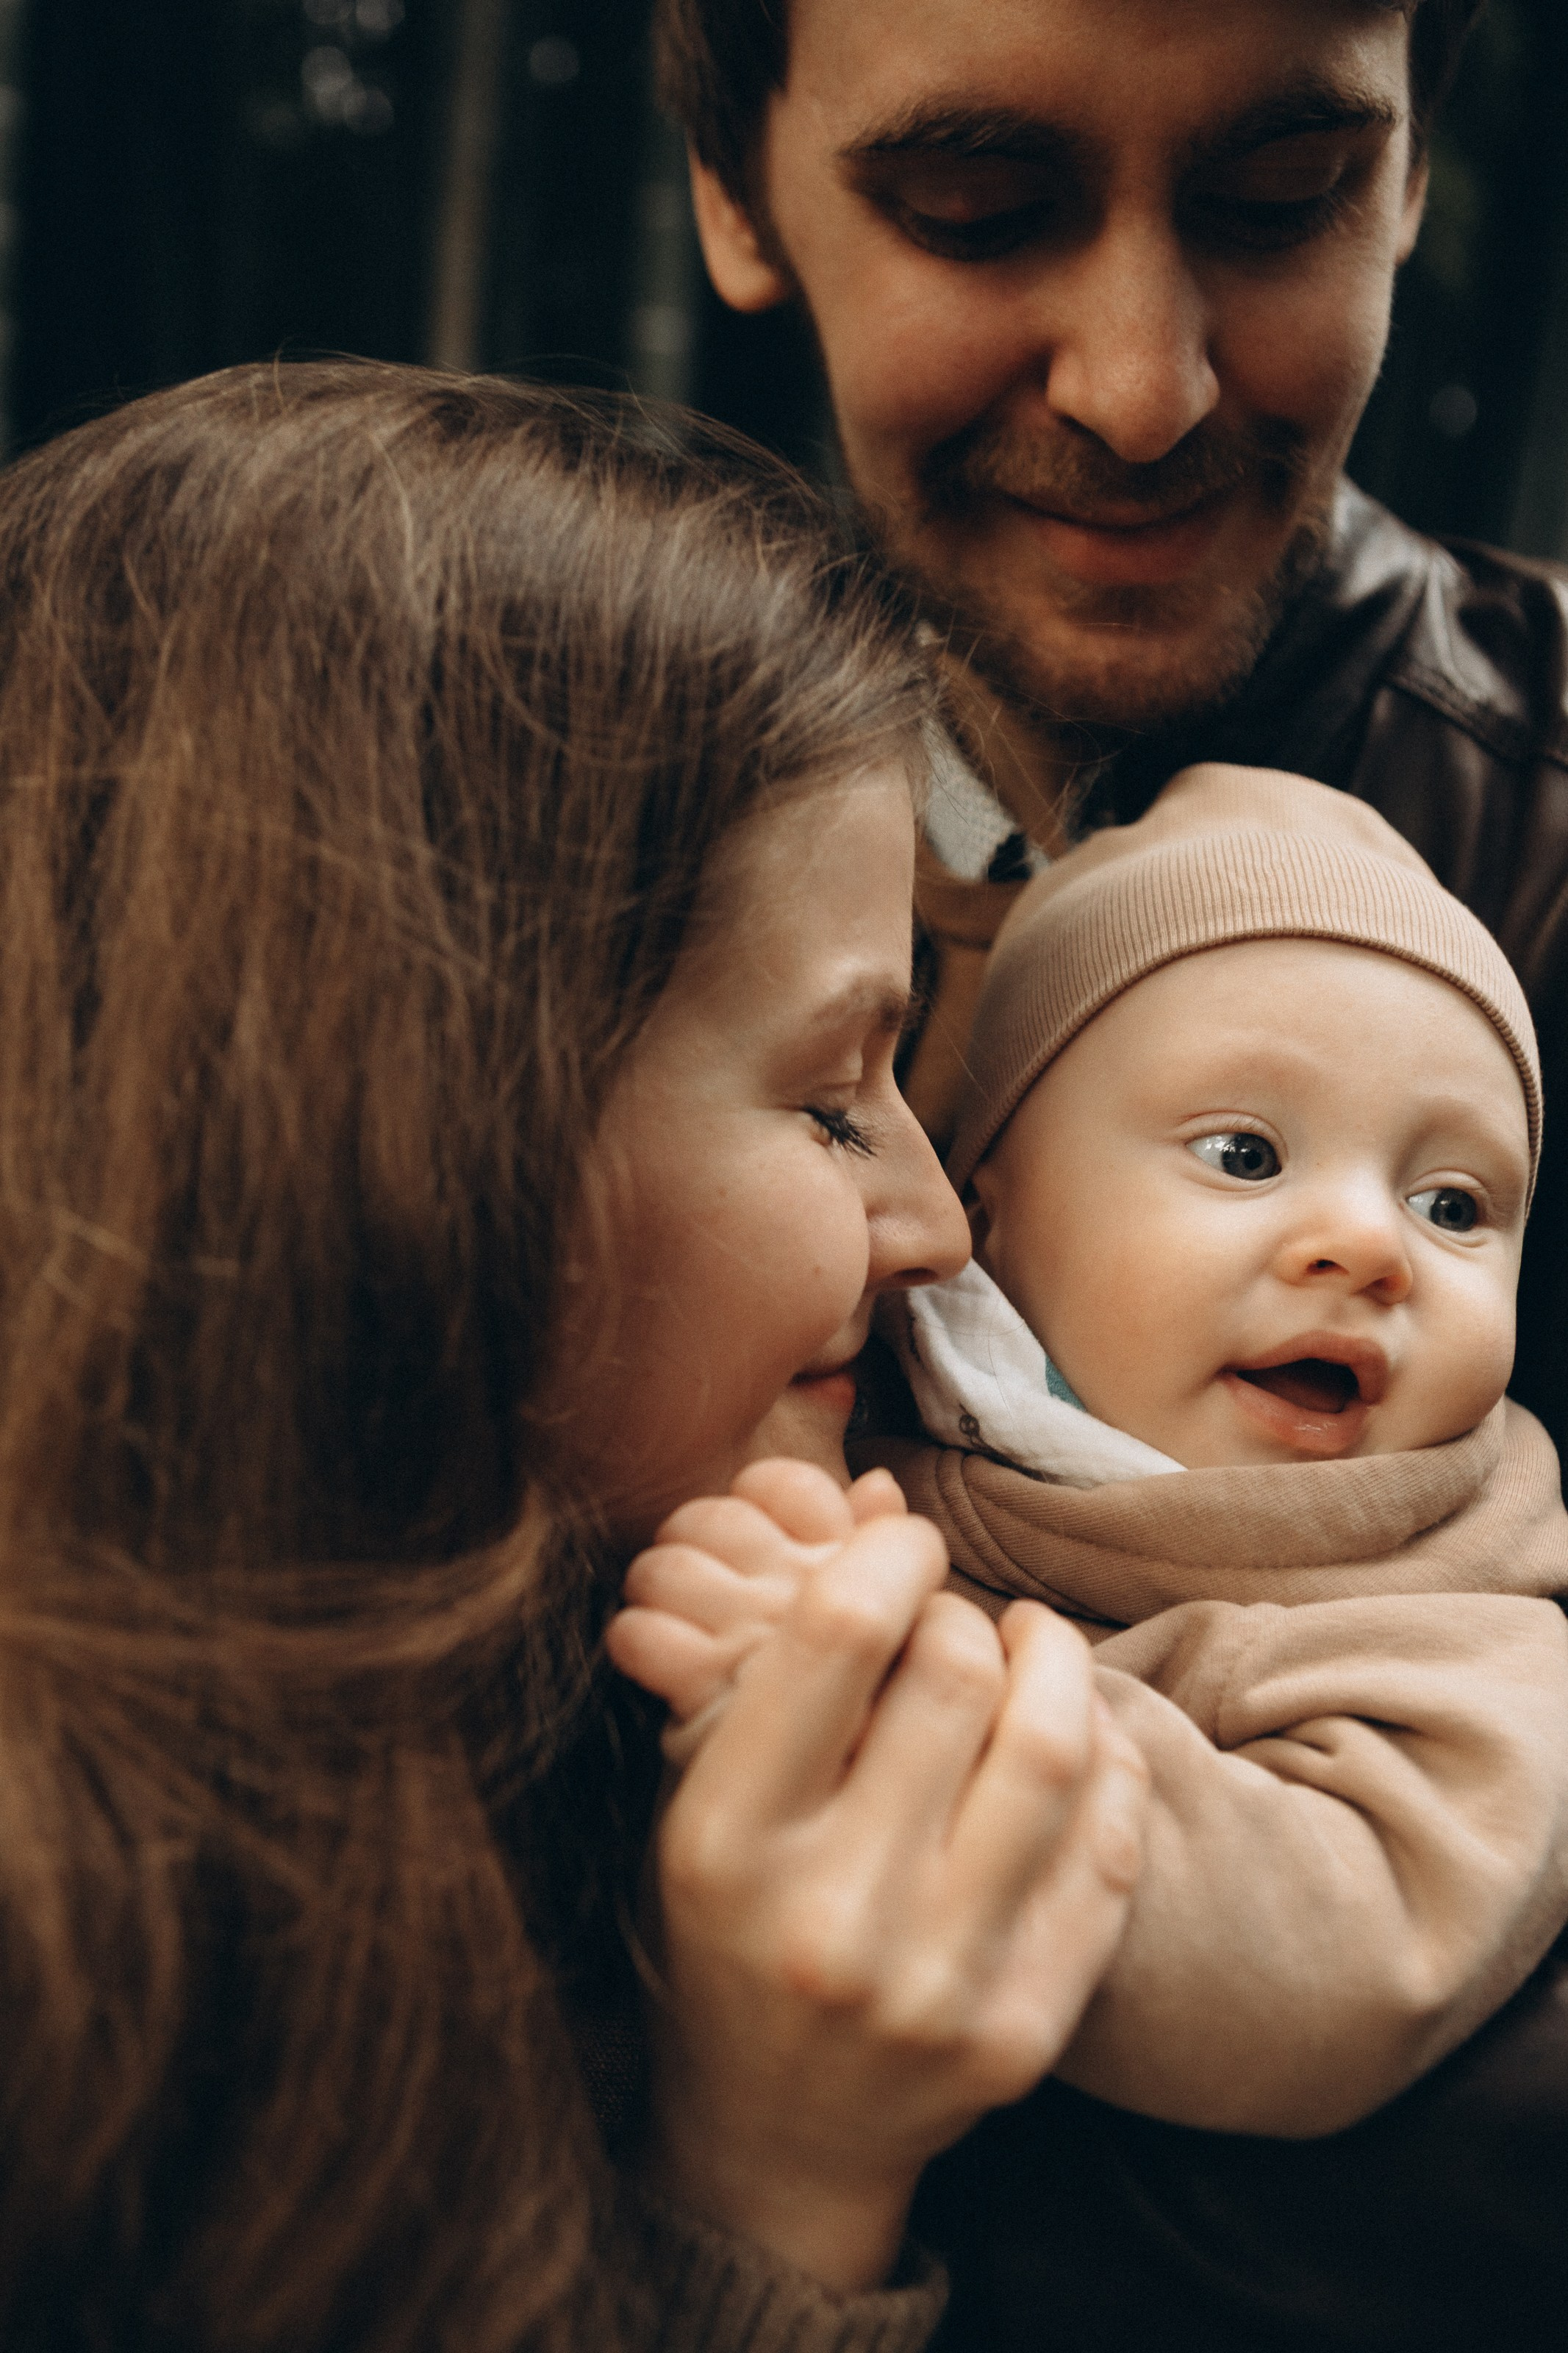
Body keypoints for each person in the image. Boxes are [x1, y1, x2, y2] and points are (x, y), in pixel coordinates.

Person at [0, 360, 1151, 2350]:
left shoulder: (575, 1708)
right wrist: (775, 2186)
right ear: (420, 1128)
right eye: (824, 1096)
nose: (934, 1231)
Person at [651, 4, 1568, 2343]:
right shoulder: (577, 787)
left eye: (1274, 201)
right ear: (732, 191)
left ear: (1411, 174)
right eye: (976, 207)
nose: (1142, 383)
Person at [615, 760, 1568, 2146]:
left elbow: (1341, 1962)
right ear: (983, 1214)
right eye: (1244, 1154)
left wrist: (885, 1698)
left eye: (1452, 1202)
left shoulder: (1458, 1623)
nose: (1366, 1246)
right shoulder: (838, 1416)